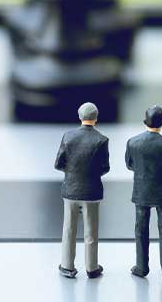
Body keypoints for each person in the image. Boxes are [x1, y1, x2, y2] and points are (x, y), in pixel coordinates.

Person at [125, 105, 162, 279]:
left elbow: (129, 164)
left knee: (141, 231)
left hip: (141, 192)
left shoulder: (133, 142)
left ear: (145, 122)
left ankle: (142, 268)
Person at [54, 102, 110, 279]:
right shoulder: (102, 140)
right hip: (91, 192)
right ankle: (92, 268)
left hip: (70, 190)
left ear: (79, 117)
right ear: (96, 118)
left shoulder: (68, 137)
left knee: (68, 230)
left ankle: (66, 266)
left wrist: (72, 173)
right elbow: (105, 168)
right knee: (91, 232)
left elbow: (58, 164)